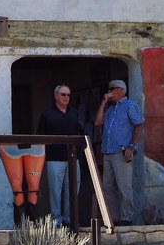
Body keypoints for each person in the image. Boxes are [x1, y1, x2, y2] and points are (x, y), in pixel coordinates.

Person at [94, 79, 144, 227]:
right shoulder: (109, 109)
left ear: (121, 90)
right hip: (108, 151)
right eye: (108, 89)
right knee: (108, 186)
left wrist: (131, 147)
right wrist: (103, 103)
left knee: (124, 186)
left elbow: (138, 125)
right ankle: (113, 218)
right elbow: (97, 122)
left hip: (122, 151)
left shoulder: (130, 105)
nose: (109, 92)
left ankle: (126, 218)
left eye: (112, 89)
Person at [37, 84, 84, 227]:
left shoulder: (74, 113)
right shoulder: (47, 114)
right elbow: (40, 137)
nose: (66, 97)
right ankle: (56, 219)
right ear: (56, 95)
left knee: (73, 189)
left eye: (68, 95)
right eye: (63, 94)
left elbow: (80, 133)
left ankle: (69, 218)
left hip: (72, 158)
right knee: (55, 190)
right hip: (54, 158)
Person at [0, 138, 46, 225]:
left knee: (29, 188)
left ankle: (25, 224)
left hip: (17, 145)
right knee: (23, 187)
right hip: (27, 145)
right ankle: (26, 223)